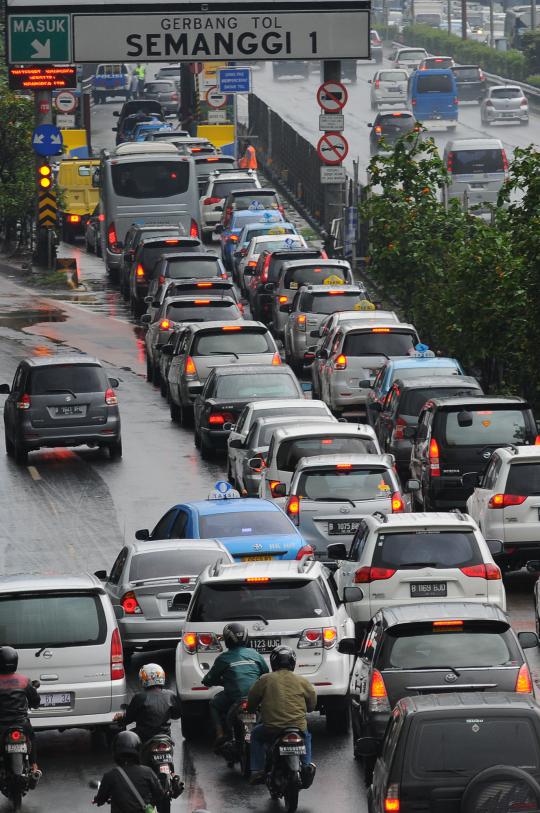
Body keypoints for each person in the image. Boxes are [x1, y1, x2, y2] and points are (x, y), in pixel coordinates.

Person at [247, 645, 316, 784]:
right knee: (306, 736)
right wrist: (308, 709)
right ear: (293, 662)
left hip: (272, 728)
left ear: (273, 663)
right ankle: (307, 765)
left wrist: (251, 709)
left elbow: (252, 698)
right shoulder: (302, 680)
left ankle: (258, 770)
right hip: (297, 727)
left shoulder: (265, 679)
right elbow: (312, 700)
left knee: (255, 735)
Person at [202, 623, 268, 748]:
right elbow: (265, 673)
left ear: (227, 640)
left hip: (234, 697)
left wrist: (221, 682)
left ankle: (220, 734)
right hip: (256, 696)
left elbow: (208, 680)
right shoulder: (255, 654)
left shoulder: (223, 658)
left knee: (214, 704)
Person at [93, 731, 165, 812]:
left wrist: (97, 800)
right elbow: (160, 794)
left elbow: (101, 799)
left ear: (115, 751)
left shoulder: (110, 776)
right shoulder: (148, 772)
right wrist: (150, 804)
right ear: (138, 749)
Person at [0, 646, 41, 781]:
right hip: (21, 723)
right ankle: (34, 766)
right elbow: (35, 700)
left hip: (2, 726)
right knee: (32, 738)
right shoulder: (24, 680)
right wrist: (34, 704)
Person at [117, 663, 182, 745]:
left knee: (125, 739)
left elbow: (129, 718)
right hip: (165, 736)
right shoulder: (170, 695)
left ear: (143, 678)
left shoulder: (139, 697)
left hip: (144, 737)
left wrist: (120, 719)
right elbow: (176, 715)